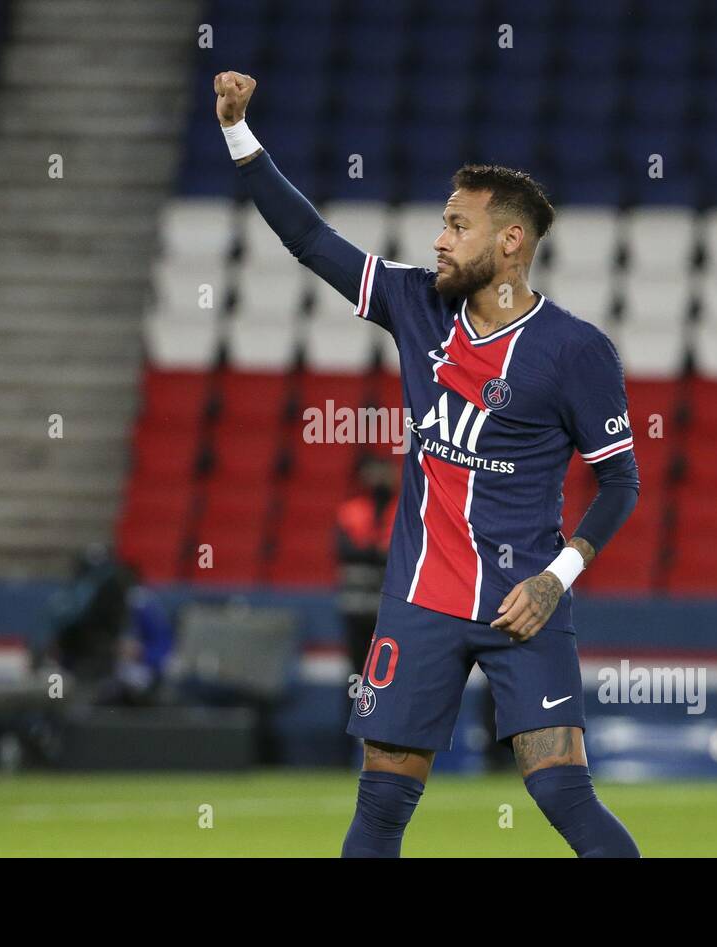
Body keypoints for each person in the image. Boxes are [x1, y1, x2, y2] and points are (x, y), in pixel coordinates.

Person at [214, 72, 641, 857]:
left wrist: (556, 579)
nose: (439, 239)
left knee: (562, 792)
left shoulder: (577, 351)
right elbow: (311, 241)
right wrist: (241, 133)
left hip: (526, 601)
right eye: (441, 223)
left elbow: (621, 482)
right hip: (420, 599)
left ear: (510, 242)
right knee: (380, 806)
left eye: (457, 225)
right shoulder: (416, 305)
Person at [336, 455, 397, 680]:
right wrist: (376, 553)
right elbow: (343, 551)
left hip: (389, 605)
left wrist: (368, 552)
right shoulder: (351, 510)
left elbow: (404, 555)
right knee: (355, 671)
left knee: (385, 672)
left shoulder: (403, 510)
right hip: (355, 604)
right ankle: (351, 715)